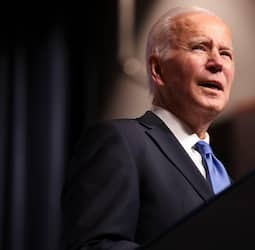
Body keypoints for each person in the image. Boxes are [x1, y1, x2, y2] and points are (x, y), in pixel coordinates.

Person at [62, 5, 235, 250]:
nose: (217, 62)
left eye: (226, 53)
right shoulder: (122, 142)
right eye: (199, 47)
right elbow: (93, 245)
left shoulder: (224, 175)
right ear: (158, 69)